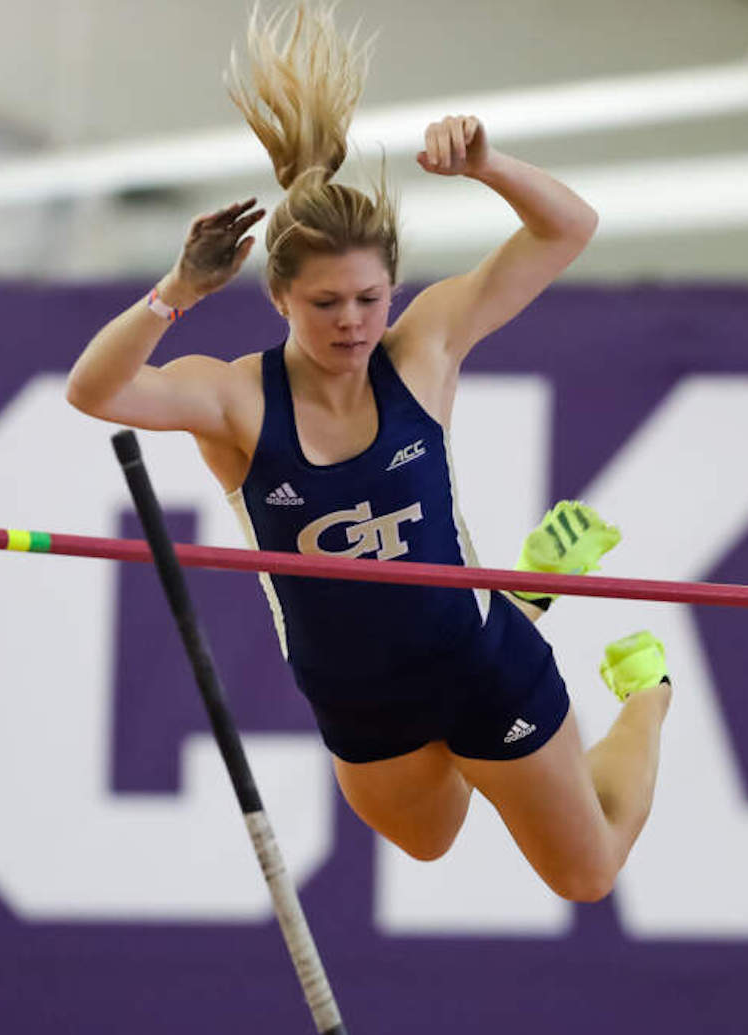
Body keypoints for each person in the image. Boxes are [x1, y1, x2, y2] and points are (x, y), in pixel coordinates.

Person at [66, 3, 671, 903]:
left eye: (369, 296)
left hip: (476, 664)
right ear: (278, 298)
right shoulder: (236, 400)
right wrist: (175, 291)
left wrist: (487, 165)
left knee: (585, 874)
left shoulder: (422, 352)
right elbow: (95, 390)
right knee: (429, 842)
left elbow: (568, 228)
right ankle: (528, 592)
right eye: (325, 304)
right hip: (358, 699)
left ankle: (648, 690)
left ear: (393, 287)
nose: (352, 322)